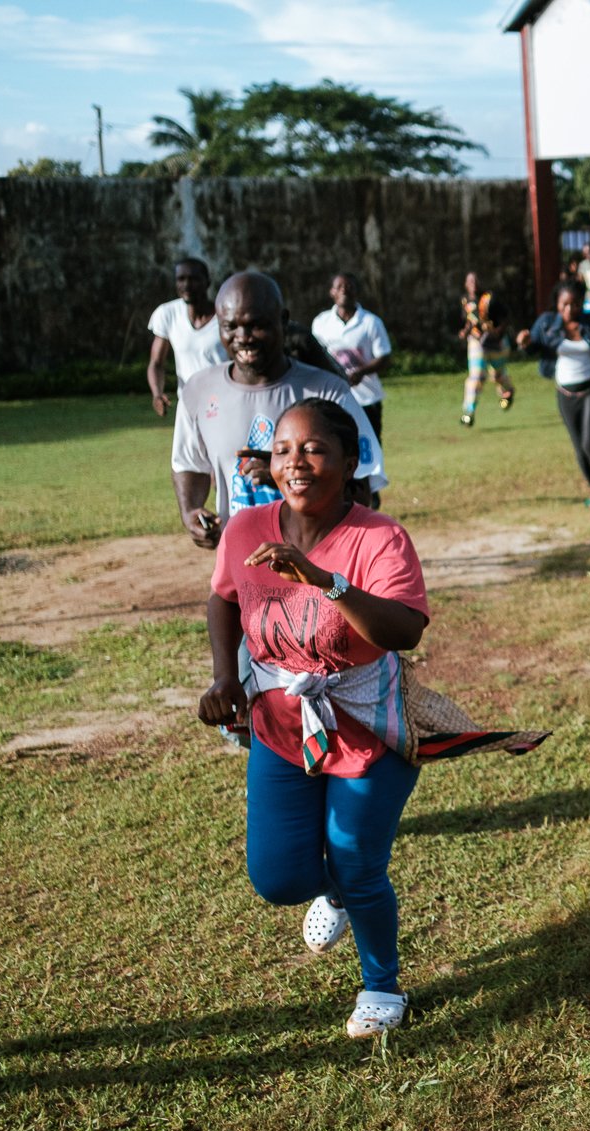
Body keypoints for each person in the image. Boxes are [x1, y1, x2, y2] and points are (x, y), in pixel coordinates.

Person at [196, 397, 430, 1040]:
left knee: (357, 858)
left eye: (314, 449)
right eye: (282, 451)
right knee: (278, 877)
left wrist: (324, 580)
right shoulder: (246, 529)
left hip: (369, 721)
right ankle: (335, 890)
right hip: (280, 725)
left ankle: (382, 988)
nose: (295, 463)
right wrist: (225, 678)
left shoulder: (380, 538)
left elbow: (403, 630)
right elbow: (222, 598)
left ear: (352, 460)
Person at [172, 273, 384, 551]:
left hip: (319, 568)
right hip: (242, 566)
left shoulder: (328, 393)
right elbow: (188, 464)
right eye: (230, 327)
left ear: (283, 321)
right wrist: (191, 511)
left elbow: (362, 492)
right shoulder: (198, 391)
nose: (243, 338)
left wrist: (288, 478)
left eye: (256, 325)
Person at [518, 278, 590, 509]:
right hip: (565, 394)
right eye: (564, 304)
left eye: (575, 304)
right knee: (579, 447)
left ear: (582, 303)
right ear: (557, 303)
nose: (569, 309)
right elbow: (534, 346)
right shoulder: (546, 323)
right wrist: (525, 344)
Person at [310, 273, 394, 443]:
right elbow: (314, 356)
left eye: (349, 287)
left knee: (369, 444)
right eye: (339, 287)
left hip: (366, 397)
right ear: (331, 292)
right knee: (334, 443)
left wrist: (361, 372)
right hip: (332, 396)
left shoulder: (370, 322)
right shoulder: (321, 323)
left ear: (357, 292)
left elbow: (384, 358)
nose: (344, 291)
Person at [147, 257, 226, 417]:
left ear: (207, 282)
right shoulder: (167, 314)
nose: (187, 285)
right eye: (181, 279)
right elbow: (156, 363)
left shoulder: (226, 316)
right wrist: (157, 394)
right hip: (188, 406)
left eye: (194, 279)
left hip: (224, 403)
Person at [458, 272, 515, 428]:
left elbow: (506, 318)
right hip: (477, 342)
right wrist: (465, 331)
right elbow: (471, 320)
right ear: (465, 284)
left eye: (476, 280)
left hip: (496, 342)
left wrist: (497, 333)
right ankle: (468, 413)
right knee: (476, 377)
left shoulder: (490, 298)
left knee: (497, 375)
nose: (473, 283)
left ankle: (507, 393)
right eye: (470, 281)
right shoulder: (465, 301)